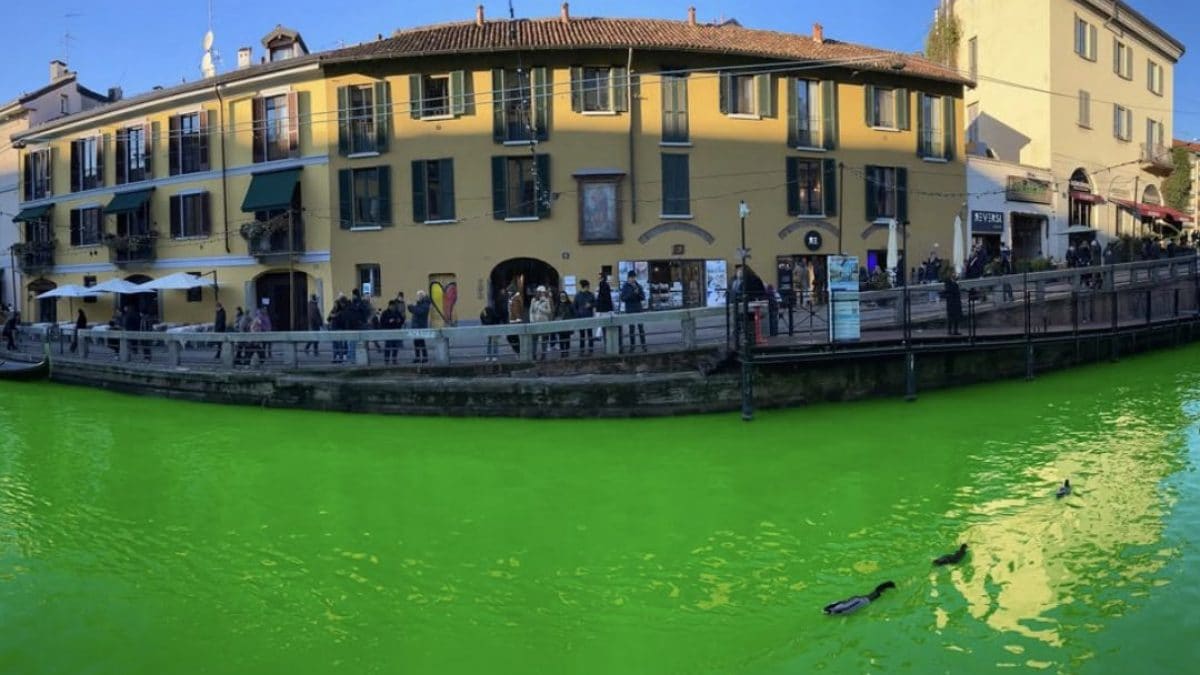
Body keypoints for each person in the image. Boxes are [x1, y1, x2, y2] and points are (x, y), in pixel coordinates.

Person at [620, 270, 647, 352]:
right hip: (630, 309)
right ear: (628, 278)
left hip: (638, 309)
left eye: (634, 277)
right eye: (631, 278)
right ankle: (632, 346)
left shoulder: (638, 286)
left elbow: (643, 297)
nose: (632, 279)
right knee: (631, 329)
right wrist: (632, 293)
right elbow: (623, 298)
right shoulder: (625, 286)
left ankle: (644, 345)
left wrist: (638, 293)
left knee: (641, 328)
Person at [573, 279, 597, 356]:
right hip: (581, 317)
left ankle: (591, 349)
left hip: (589, 316)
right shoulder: (577, 295)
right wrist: (577, 315)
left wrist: (591, 305)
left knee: (590, 334)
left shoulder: (591, 295)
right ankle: (582, 350)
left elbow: (595, 303)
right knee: (582, 334)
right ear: (585, 287)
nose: (589, 288)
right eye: (588, 286)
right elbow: (574, 307)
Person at [529, 285, 553, 360]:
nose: (541, 294)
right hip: (535, 322)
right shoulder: (533, 300)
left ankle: (543, 355)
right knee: (534, 340)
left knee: (544, 340)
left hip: (544, 321)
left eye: (543, 292)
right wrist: (531, 320)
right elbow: (531, 311)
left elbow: (549, 311)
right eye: (540, 292)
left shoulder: (547, 300)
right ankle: (534, 355)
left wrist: (541, 308)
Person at [408, 290, 432, 363]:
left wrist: (410, 306)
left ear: (422, 296)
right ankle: (418, 357)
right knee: (417, 343)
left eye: (418, 296)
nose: (417, 297)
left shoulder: (425, 304)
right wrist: (410, 307)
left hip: (420, 326)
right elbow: (414, 310)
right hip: (416, 326)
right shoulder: (421, 303)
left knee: (421, 342)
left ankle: (424, 357)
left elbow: (419, 311)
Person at [380, 300, 403, 365]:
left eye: (394, 306)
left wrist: (400, 321)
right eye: (392, 306)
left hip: (396, 331)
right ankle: (386, 360)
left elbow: (402, 320)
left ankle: (394, 360)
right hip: (388, 332)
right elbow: (382, 322)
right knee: (388, 346)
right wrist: (389, 321)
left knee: (395, 346)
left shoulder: (397, 312)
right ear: (389, 306)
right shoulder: (385, 313)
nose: (393, 307)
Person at [554, 290, 575, 357]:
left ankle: (567, 352)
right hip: (560, 325)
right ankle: (562, 352)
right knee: (561, 339)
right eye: (561, 296)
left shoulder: (570, 304)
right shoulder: (557, 305)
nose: (563, 297)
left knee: (567, 339)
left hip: (568, 324)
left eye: (564, 296)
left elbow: (573, 313)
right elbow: (555, 314)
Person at [506, 284, 524, 355]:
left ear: (513, 291)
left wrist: (518, 319)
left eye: (509, 291)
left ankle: (519, 351)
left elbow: (519, 309)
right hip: (512, 321)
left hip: (516, 321)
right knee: (513, 338)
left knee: (512, 337)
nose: (508, 292)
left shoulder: (517, 298)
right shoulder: (512, 298)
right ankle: (518, 351)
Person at [943, 271, 963, 336]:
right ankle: (950, 331)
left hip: (956, 301)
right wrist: (955, 284)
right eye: (953, 273)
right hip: (951, 302)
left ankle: (955, 330)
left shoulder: (955, 282)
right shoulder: (948, 282)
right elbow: (949, 290)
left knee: (956, 317)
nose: (955, 274)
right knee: (951, 317)